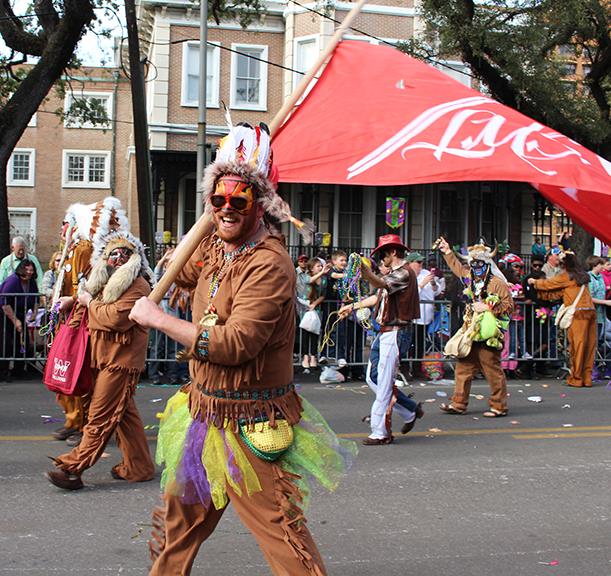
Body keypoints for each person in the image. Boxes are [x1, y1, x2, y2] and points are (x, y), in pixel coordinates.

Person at [129, 122, 353, 575]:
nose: (227, 209)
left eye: (239, 201)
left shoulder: (269, 263)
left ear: (261, 204)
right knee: (179, 527)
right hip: (203, 413)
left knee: (281, 534)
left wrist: (159, 320)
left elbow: (236, 344)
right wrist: (192, 240)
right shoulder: (215, 246)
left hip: (253, 422)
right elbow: (182, 272)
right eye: (218, 200)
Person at [46, 231, 156, 490]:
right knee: (124, 414)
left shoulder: (138, 286)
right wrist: (74, 300)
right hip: (103, 357)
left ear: (134, 259)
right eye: (113, 253)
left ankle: (73, 469)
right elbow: (96, 297)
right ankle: (139, 467)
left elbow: (115, 318)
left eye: (125, 254)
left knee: (100, 416)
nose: (118, 258)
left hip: (121, 361)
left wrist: (88, 303)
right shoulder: (106, 280)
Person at [52, 199, 130, 446]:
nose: (62, 229)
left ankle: (87, 426)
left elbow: (87, 286)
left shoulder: (85, 249)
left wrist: (74, 304)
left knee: (82, 373)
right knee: (66, 369)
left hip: (84, 319)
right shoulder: (72, 248)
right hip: (72, 317)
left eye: (65, 223)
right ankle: (75, 421)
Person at [339, 234, 421, 445]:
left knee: (383, 382)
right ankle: (409, 410)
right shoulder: (395, 274)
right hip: (385, 332)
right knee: (373, 377)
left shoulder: (404, 273)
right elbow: (378, 295)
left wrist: (365, 272)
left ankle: (380, 432)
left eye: (383, 253)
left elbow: (380, 284)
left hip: (395, 332)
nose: (381, 258)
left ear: (393, 252)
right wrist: (352, 306)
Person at [437, 238, 514, 417]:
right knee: (463, 367)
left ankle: (499, 406)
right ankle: (458, 403)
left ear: (487, 264)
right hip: (471, 330)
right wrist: (447, 251)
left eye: (480, 263)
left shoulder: (497, 283)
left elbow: (509, 306)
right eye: (473, 264)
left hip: (489, 333)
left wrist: (488, 307)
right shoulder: (470, 279)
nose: (476, 267)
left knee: (492, 369)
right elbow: (458, 269)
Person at [528, 251, 596, 387]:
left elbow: (549, 284)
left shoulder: (567, 276)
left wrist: (534, 282)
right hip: (590, 311)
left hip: (578, 314)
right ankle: (587, 378)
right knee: (589, 347)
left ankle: (577, 378)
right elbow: (563, 292)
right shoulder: (583, 276)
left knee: (577, 346)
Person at [0, 259, 39, 381]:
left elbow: (36, 298)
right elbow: (5, 303)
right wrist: (15, 320)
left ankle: (19, 370)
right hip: (4, 314)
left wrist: (34, 313)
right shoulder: (12, 281)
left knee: (23, 341)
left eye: (31, 270)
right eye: (27, 270)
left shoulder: (31, 282)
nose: (30, 272)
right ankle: (3, 371)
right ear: (21, 270)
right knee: (5, 342)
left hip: (20, 313)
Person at [408, 251, 443, 361]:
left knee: (420, 343)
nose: (421, 264)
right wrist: (422, 284)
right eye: (418, 262)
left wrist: (433, 283)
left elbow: (437, 291)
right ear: (410, 263)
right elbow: (409, 295)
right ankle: (405, 365)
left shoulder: (426, 273)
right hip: (412, 316)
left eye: (422, 262)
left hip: (425, 316)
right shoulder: (407, 274)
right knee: (409, 342)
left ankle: (417, 365)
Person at [298, 258, 330, 373]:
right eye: (318, 266)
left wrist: (315, 304)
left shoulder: (324, 280)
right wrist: (322, 273)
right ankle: (305, 357)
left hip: (316, 308)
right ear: (311, 268)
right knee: (305, 333)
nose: (321, 268)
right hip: (305, 308)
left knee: (315, 332)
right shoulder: (305, 276)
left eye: (321, 266)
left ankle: (313, 357)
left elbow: (323, 295)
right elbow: (309, 281)